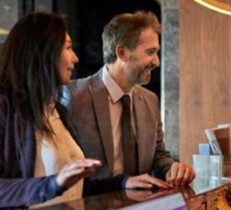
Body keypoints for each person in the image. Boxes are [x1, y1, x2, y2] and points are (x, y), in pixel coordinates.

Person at [0, 12, 170, 208]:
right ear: (42, 53)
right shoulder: (6, 108)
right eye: (68, 48)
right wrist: (53, 184)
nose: (75, 58)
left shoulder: (57, 111)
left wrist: (122, 182)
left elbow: (77, 188)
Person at [61, 11, 195, 186]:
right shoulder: (73, 97)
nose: (156, 62)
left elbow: (159, 157)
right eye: (150, 52)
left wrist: (172, 169)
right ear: (122, 52)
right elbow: (64, 172)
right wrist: (123, 183)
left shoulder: (150, 100)